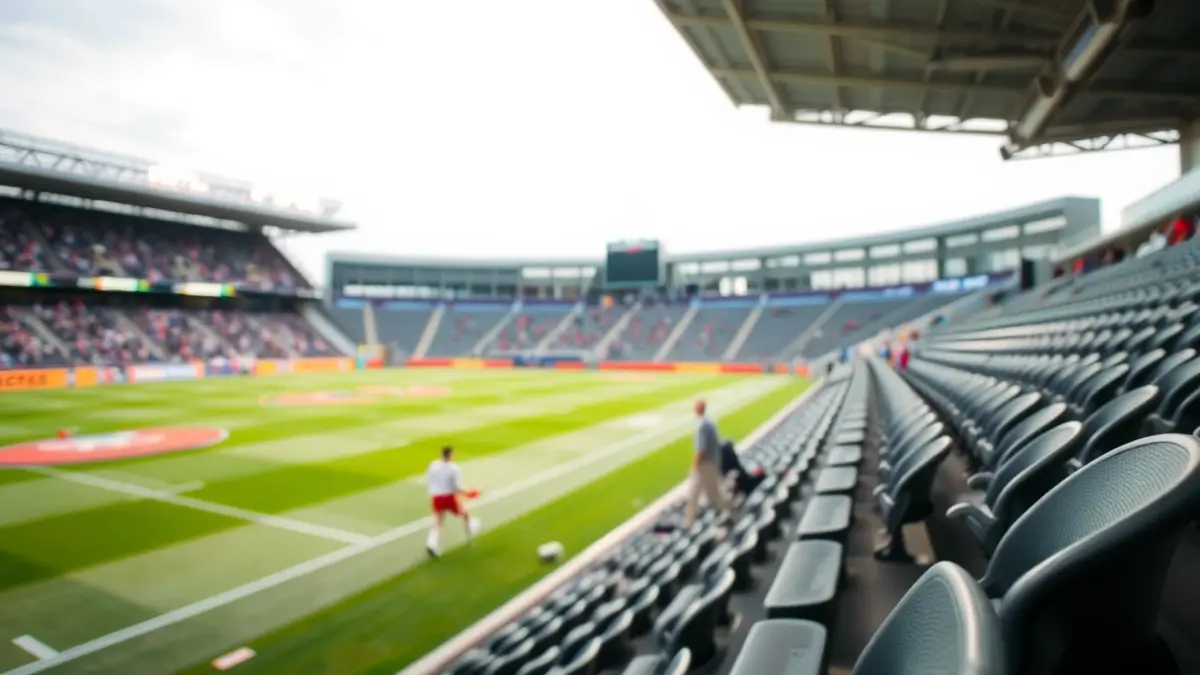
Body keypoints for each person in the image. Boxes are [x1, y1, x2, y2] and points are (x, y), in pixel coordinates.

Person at [425, 445, 480, 558]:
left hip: (436, 497)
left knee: (438, 522)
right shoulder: (454, 468)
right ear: (451, 455)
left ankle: (431, 543)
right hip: (448, 498)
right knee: (464, 511)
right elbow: (457, 488)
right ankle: (470, 528)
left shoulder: (433, 465)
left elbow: (429, 479)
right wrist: (469, 494)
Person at [684, 399, 732, 527]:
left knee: (697, 493)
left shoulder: (701, 426)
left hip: (705, 465)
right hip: (712, 462)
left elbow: (701, 450)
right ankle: (727, 513)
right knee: (712, 493)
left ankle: (689, 523)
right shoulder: (710, 423)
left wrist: (694, 466)